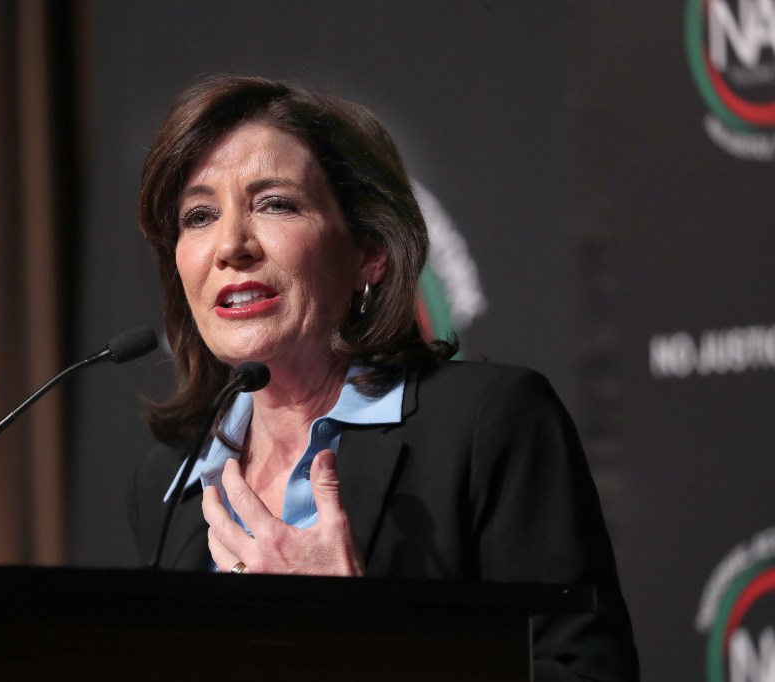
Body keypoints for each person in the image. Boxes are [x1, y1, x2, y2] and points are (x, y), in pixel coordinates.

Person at [127, 74, 640, 681]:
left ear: (369, 250)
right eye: (200, 215)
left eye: (274, 203)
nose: (230, 245)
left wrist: (363, 638)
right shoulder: (171, 486)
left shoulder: (488, 426)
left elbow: (586, 674)